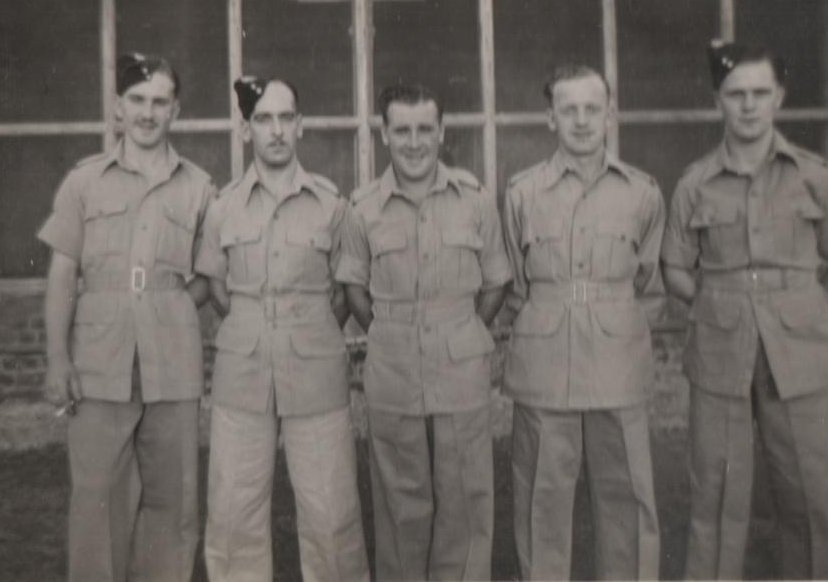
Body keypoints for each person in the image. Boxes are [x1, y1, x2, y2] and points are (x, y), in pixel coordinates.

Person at [661, 41, 828, 579]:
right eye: (737, 95)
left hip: (802, 353)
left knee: (811, 493)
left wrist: (800, 306)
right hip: (720, 352)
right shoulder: (695, 183)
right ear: (718, 101)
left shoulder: (815, 176)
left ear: (779, 97)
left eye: (760, 93)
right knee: (715, 494)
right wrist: (719, 305)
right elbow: (676, 271)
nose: (749, 106)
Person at [40, 53, 214, 582]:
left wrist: (173, 304)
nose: (147, 112)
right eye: (137, 100)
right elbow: (62, 275)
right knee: (97, 506)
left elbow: (209, 274)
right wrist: (56, 360)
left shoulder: (198, 186)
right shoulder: (84, 182)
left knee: (173, 505)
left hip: (172, 365)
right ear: (118, 110)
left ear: (175, 111)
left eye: (159, 101)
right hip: (98, 363)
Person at [195, 76, 369, 582]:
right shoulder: (222, 206)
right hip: (242, 372)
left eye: (285, 118)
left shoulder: (332, 205)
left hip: (316, 371)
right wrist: (258, 326)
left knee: (331, 512)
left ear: (301, 126)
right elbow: (219, 291)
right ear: (245, 128)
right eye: (263, 120)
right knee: (233, 513)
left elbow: (343, 292)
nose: (275, 130)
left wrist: (306, 327)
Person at [336, 83, 511, 581]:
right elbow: (353, 288)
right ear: (385, 134)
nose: (414, 142)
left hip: (460, 362)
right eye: (403, 130)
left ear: (442, 131)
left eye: (424, 130)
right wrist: (391, 332)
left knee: (464, 499)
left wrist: (462, 327)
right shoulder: (362, 207)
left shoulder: (475, 199)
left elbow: (497, 280)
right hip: (392, 365)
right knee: (400, 502)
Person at [501, 63, 664, 580]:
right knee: (541, 500)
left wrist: (612, 319)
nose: (581, 120)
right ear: (550, 118)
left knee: (627, 498)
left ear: (610, 114)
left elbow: (650, 283)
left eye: (592, 108)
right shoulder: (522, 193)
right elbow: (514, 285)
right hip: (545, 365)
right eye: (568, 110)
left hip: (618, 362)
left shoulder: (642, 193)